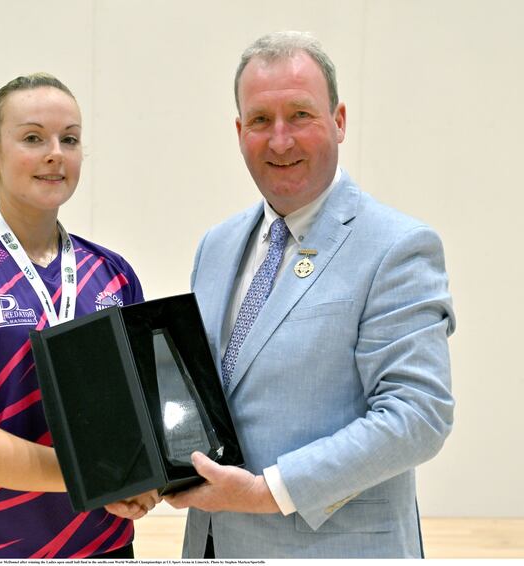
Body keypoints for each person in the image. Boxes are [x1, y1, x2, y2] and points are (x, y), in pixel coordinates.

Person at [165, 32, 456, 558]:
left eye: (300, 115)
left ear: (339, 121)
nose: (280, 141)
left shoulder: (397, 247)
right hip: (212, 545)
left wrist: (269, 492)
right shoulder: (217, 245)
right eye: (260, 121)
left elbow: (418, 415)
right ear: (238, 131)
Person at [0, 73, 158, 559]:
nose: (55, 153)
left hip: (100, 547)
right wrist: (100, 474)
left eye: (70, 139)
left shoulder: (112, 275)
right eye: (33, 137)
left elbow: (136, 422)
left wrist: (149, 475)